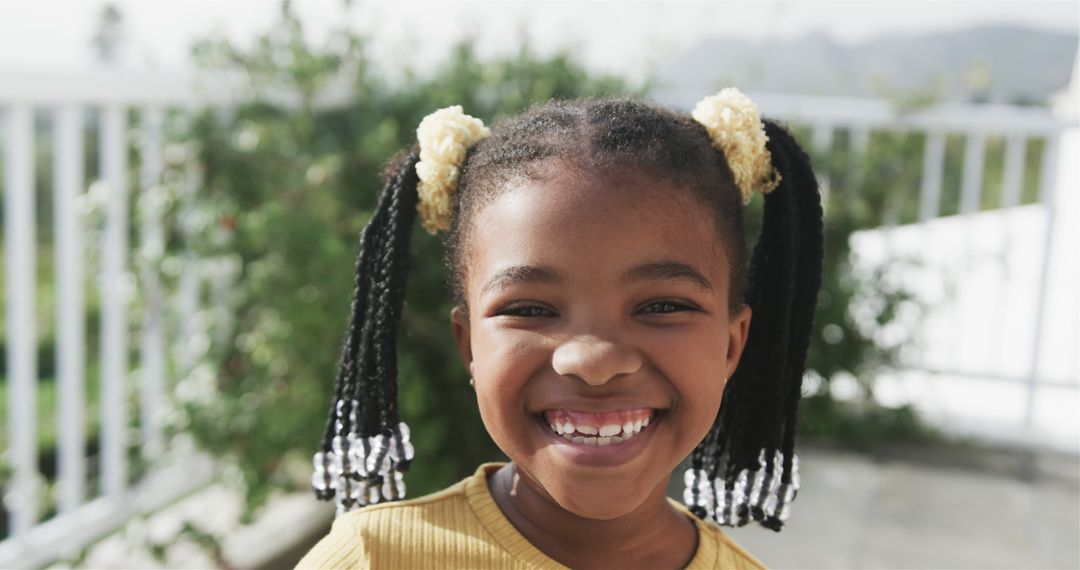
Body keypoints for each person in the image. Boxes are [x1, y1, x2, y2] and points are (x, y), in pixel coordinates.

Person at [297, 88, 824, 569]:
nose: (593, 361)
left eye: (662, 306)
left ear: (732, 347)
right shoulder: (373, 560)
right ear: (470, 347)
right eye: (529, 309)